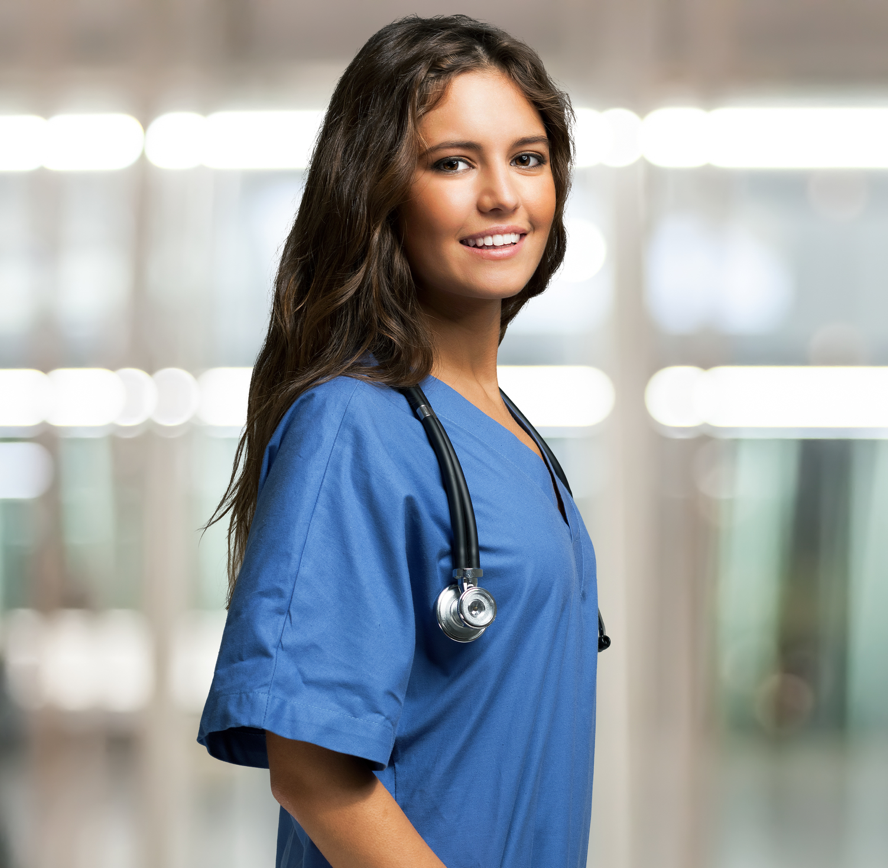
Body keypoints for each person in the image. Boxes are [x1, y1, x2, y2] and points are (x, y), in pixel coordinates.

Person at [197, 15, 600, 868]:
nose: (502, 195)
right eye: (453, 162)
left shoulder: (509, 434)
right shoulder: (353, 423)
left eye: (526, 158)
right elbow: (313, 776)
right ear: (378, 188)